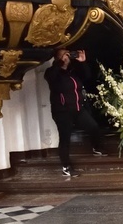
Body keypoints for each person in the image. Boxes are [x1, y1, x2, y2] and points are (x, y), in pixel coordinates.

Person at [44, 49, 105, 177]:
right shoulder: (51, 72)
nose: (67, 55)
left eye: (68, 53)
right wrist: (60, 62)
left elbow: (87, 76)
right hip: (62, 111)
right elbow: (52, 79)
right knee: (65, 139)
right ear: (57, 58)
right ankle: (66, 167)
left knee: (93, 127)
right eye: (64, 54)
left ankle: (96, 148)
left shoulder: (73, 71)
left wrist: (82, 62)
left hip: (78, 109)